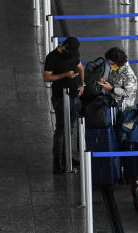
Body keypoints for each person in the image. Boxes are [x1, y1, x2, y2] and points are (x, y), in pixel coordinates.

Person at [44, 37, 84, 173]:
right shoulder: (52, 57)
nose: (74, 54)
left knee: (70, 128)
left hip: (74, 96)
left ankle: (67, 157)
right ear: (64, 46)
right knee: (61, 129)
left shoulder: (74, 54)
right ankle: (58, 163)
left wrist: (81, 84)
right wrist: (64, 75)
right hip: (60, 97)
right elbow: (47, 77)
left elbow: (80, 67)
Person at [99, 47, 137, 111]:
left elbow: (128, 93)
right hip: (113, 101)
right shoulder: (116, 68)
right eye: (109, 64)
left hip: (123, 107)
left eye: (112, 64)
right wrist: (106, 81)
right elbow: (114, 81)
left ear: (118, 62)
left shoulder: (129, 75)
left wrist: (112, 89)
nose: (110, 66)